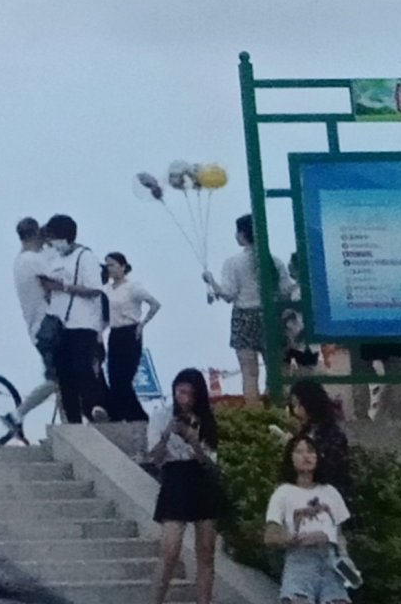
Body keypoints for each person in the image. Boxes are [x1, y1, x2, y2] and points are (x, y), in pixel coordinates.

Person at [146, 367, 224, 604]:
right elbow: (154, 458)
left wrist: (193, 439)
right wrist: (167, 434)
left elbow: (211, 462)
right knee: (169, 549)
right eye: (181, 393)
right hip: (175, 476)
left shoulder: (206, 418)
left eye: (190, 394)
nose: (185, 400)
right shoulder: (161, 415)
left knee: (206, 550)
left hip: (201, 477)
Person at [265, 432, 356, 604]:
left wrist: (345, 557)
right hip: (301, 561)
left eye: (310, 451)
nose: (306, 456)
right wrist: (292, 538)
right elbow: (270, 535)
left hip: (331, 561)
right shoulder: (283, 493)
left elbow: (339, 533)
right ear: (290, 458)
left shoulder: (330, 492)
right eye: (299, 452)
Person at [36, 214, 107, 424]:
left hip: (82, 323)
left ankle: (95, 407)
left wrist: (64, 287)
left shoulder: (86, 256)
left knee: (81, 367)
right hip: (59, 324)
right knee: (63, 374)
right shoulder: (54, 258)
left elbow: (95, 289)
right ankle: (73, 419)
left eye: (54, 237)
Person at [206, 215, 280, 400]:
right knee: (274, 368)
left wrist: (211, 281)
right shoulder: (273, 260)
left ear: (241, 234)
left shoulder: (233, 262)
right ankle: (276, 403)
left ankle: (253, 409)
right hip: (269, 315)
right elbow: (284, 289)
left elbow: (229, 294)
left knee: (249, 372)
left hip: (244, 316)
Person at [103, 251, 161, 425]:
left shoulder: (133, 287)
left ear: (122, 266)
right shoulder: (106, 289)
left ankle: (138, 417)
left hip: (130, 332)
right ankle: (121, 415)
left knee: (124, 378)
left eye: (113, 265)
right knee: (114, 378)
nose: (110, 268)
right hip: (114, 333)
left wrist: (143, 323)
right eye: (107, 265)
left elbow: (154, 303)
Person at [9, 217, 58, 421]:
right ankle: (18, 413)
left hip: (36, 327)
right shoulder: (34, 260)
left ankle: (70, 422)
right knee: (59, 376)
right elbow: (54, 286)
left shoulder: (20, 261)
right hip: (48, 324)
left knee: (61, 379)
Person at [288, 380, 353, 493]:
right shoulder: (304, 433)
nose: (295, 411)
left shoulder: (333, 436)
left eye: (298, 405)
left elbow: (333, 471)